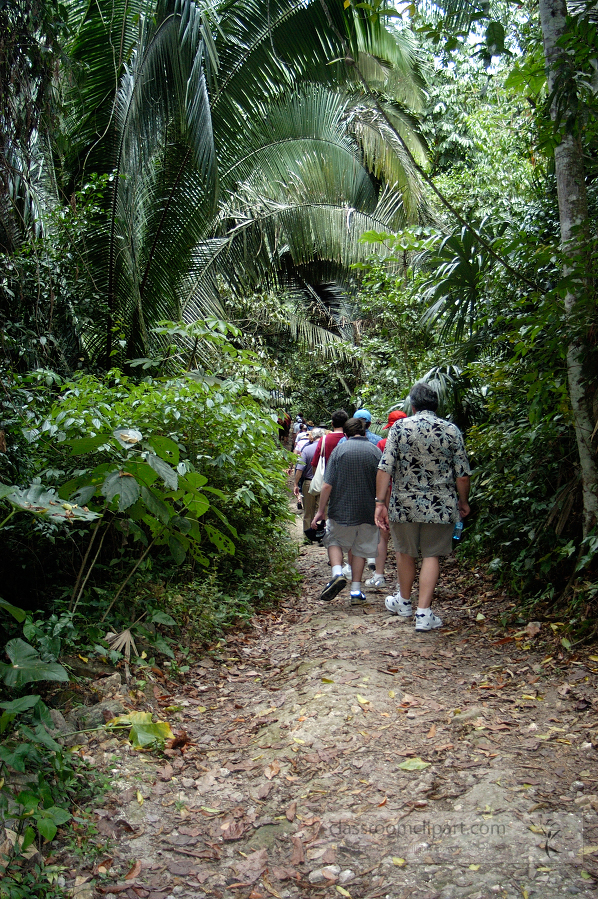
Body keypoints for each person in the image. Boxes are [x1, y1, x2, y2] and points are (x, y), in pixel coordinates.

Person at [375, 382, 471, 631]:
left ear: (413, 405)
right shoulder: (451, 430)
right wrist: (463, 502)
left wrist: (379, 503)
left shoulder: (399, 428)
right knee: (431, 555)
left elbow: (385, 467)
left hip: (403, 504)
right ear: (436, 405)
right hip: (440, 506)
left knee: (405, 551)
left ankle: (404, 602)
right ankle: (424, 614)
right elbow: (462, 475)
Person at [311, 417, 382, 606]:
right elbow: (384, 484)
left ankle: (337, 574)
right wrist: (383, 508)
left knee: (333, 539)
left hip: (341, 508)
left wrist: (320, 511)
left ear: (346, 434)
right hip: (368, 509)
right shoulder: (375, 451)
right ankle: (356, 591)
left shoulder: (340, 450)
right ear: (365, 430)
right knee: (359, 548)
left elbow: (327, 485)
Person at [365, 410, 408, 590]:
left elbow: (381, 471)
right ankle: (401, 584)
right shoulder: (414, 441)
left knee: (382, 536)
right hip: (406, 495)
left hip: (388, 493)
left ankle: (379, 575)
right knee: (402, 541)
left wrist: (379, 500)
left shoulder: (383, 443)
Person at [293, 428, 325, 536]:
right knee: (323, 509)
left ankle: (308, 536)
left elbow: (300, 469)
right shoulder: (327, 449)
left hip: (308, 483)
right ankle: (322, 534)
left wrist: (296, 484)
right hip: (324, 484)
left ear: (312, 436)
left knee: (308, 511)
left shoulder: (306, 449)